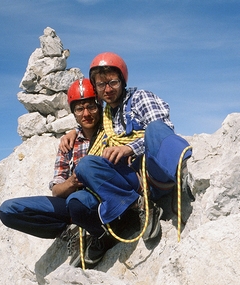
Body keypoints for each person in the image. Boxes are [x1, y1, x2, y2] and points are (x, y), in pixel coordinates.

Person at [61, 52, 192, 242]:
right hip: (133, 182)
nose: (107, 89)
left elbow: (162, 128)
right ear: (95, 88)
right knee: (85, 165)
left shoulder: (140, 98)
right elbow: (88, 124)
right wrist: (74, 131)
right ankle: (140, 206)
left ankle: (183, 175)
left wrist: (129, 148)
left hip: (153, 172)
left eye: (112, 82)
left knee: (155, 128)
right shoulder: (106, 116)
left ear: (122, 80)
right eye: (101, 84)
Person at [0, 78, 117, 268]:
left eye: (91, 107)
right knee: (8, 210)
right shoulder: (68, 144)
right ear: (74, 113)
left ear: (99, 107)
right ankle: (71, 229)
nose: (86, 114)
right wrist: (71, 182)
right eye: (79, 109)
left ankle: (99, 233)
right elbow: (56, 190)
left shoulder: (111, 130)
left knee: (76, 203)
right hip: (71, 201)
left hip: (97, 200)